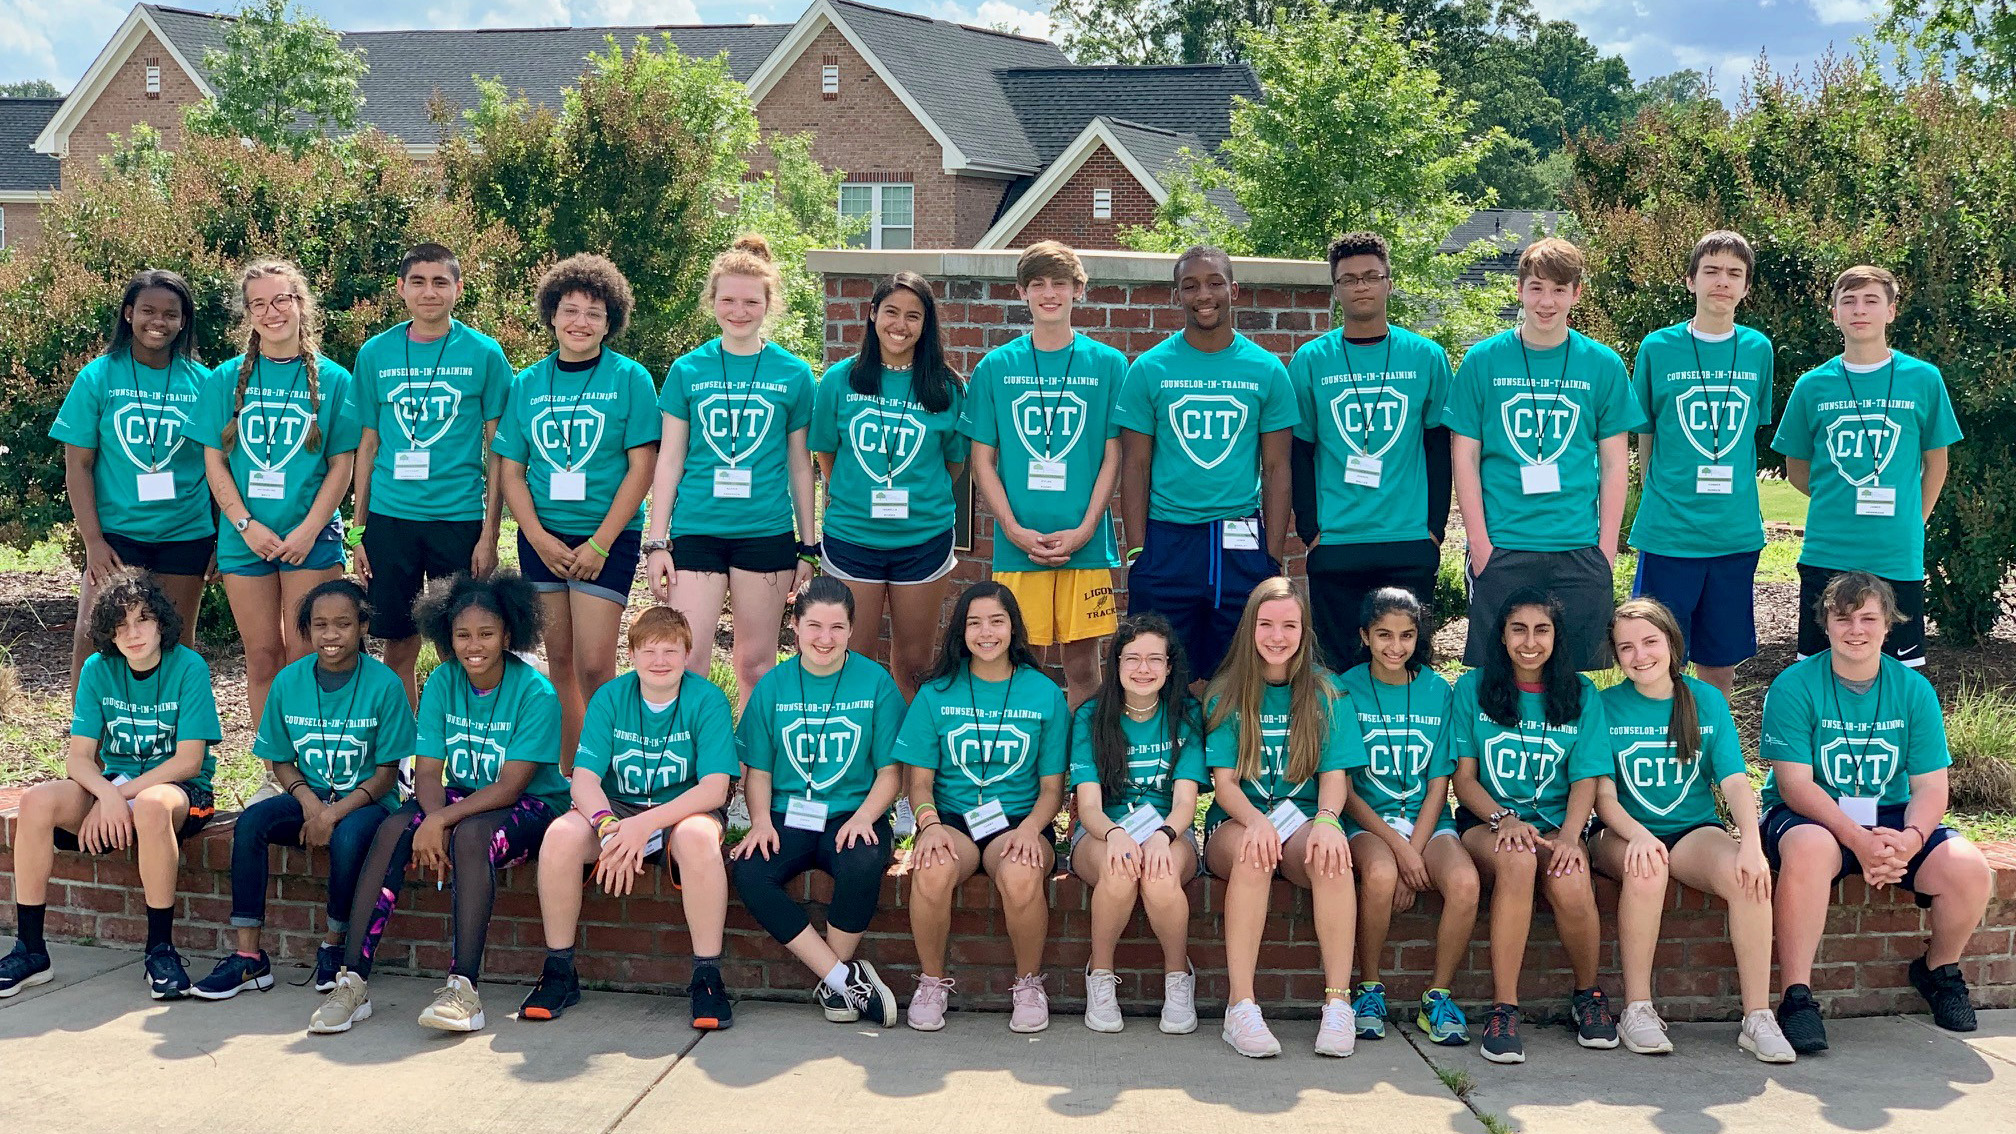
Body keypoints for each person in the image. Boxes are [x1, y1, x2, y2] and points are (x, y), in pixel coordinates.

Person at [308, 572, 568, 1035]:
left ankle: (463, 989)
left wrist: (442, 819)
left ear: (508, 634)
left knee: (470, 837)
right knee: (393, 827)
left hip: (531, 805)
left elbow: (511, 787)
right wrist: (430, 819)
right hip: (462, 798)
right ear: (446, 636)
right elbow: (428, 771)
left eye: (486, 634)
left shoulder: (536, 691)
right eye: (462, 634)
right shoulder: (444, 681)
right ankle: (351, 983)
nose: (474, 645)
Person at [1760, 572, 1992, 1052]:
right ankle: (1797, 997)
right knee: (1807, 848)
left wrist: (1909, 838)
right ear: (1825, 624)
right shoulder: (1793, 685)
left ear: (1890, 624)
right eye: (1843, 618)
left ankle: (1938, 970)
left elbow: (1930, 787)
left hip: (1893, 814)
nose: (1856, 630)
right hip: (1812, 815)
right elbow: (1795, 785)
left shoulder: (1913, 690)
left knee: (1968, 869)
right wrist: (1859, 840)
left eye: (1869, 618)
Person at [0, 571, 221, 1001]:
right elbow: (78, 759)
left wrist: (117, 796)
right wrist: (106, 793)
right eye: (120, 626)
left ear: (162, 622)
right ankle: (31, 950)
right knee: (36, 801)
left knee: (152, 806)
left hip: (178, 788)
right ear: (108, 634)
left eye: (142, 620)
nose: (133, 634)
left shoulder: (189, 666)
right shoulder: (98, 669)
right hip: (115, 783)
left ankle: (160, 951)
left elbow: (188, 760)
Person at [1593, 598, 1793, 1062]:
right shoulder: (1604, 706)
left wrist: (1751, 844)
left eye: (1649, 642)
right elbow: (1603, 798)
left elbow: (1734, 779)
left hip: (1692, 833)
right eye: (1627, 648)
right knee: (1646, 869)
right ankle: (1637, 1009)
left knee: (1749, 879)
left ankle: (1758, 1016)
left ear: (1671, 643)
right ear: (1616, 656)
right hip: (1619, 832)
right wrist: (1638, 836)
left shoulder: (1704, 700)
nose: (1640, 655)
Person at [192, 579, 412, 1001]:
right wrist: (310, 802)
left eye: (343, 624)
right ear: (307, 630)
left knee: (348, 836)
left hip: (368, 801)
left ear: (363, 626)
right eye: (320, 625)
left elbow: (386, 774)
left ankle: (334, 945)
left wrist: (331, 814)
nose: (331, 635)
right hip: (307, 797)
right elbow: (280, 758)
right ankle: (249, 957)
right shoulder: (289, 681)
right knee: (252, 821)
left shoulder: (384, 685)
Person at [522, 606, 738, 1028]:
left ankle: (707, 977)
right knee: (561, 836)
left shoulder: (707, 699)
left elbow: (714, 788)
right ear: (632, 655)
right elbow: (583, 779)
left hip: (683, 810)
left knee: (698, 839)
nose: (660, 661)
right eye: (649, 651)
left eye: (671, 651)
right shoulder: (610, 697)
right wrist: (608, 827)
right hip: (618, 811)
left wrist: (645, 825)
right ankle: (559, 971)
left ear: (688, 654)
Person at [1448, 238, 1645, 672]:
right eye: (1537, 288)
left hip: (1577, 548)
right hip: (1504, 545)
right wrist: (1480, 545)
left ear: (1577, 293)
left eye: (1559, 289)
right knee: (1497, 678)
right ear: (1520, 290)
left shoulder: (1602, 364)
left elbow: (1614, 465)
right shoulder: (1483, 361)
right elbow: (1464, 458)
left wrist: (1605, 550)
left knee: (1574, 682)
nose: (1547, 301)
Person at [495, 254, 660, 761]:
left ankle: (612, 765)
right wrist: (540, 539)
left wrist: (599, 544)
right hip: (542, 538)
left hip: (605, 539)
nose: (580, 322)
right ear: (551, 314)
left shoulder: (631, 378)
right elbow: (511, 472)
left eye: (594, 312)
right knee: (559, 663)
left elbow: (643, 468)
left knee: (594, 666)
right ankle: (571, 770)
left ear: (610, 321)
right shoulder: (526, 383)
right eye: (570, 309)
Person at [646, 235, 818, 710]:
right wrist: (657, 541)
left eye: (750, 301)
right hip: (697, 528)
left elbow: (800, 468)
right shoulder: (687, 370)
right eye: (727, 300)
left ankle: (753, 776)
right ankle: (699, 767)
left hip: (765, 533)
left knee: (756, 663)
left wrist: (809, 545)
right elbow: (670, 460)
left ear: (768, 304)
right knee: (691, 658)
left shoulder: (794, 374)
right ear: (712, 302)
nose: (738, 311)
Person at [1115, 246, 1298, 681]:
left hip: (1239, 540)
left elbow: (1276, 470)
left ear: (1233, 289)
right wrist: (1139, 551)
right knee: (1158, 673)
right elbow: (1135, 467)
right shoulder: (1149, 368)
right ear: (1176, 294)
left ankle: (1228, 752)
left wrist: (1269, 557)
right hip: (1167, 539)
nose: (1204, 294)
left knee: (1237, 677)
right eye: (1191, 285)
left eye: (1215, 283)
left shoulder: (1266, 369)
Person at [731, 577, 907, 1027]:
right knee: (751, 871)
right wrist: (759, 821)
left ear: (851, 629)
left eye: (836, 627)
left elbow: (891, 772)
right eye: (814, 626)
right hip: (787, 814)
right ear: (794, 626)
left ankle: (835, 982)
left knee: (864, 861)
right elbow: (759, 772)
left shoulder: (876, 684)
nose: (824, 639)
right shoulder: (774, 686)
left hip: (852, 812)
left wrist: (867, 816)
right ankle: (842, 980)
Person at [347, 243, 516, 706]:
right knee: (397, 643)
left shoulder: (483, 353)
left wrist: (489, 534)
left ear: (458, 289)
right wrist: (358, 530)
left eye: (440, 282)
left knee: (461, 644)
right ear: (400, 288)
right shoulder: (375, 353)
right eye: (418, 281)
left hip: (457, 518)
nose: (429, 292)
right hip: (389, 518)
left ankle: (460, 740)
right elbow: (368, 445)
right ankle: (405, 754)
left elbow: (498, 450)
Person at [1203, 577, 1366, 1059]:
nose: (1278, 636)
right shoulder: (1226, 691)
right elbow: (1225, 785)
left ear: (1304, 629)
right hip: (1236, 823)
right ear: (1250, 627)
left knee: (1333, 856)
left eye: (1289, 625)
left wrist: (1330, 820)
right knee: (1255, 854)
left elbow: (1335, 775)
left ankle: (1338, 1004)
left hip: (1299, 824)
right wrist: (1255, 821)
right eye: (1267, 624)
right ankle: (1242, 1007)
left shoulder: (1326, 691)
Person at [895, 581, 1068, 1033]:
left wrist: (1030, 830)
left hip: (1020, 820)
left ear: (1013, 628)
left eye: (997, 621)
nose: (986, 632)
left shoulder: (1044, 693)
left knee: (1021, 872)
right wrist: (928, 826)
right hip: (953, 820)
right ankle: (932, 981)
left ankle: (1028, 984)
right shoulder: (936, 694)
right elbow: (920, 783)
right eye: (974, 623)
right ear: (960, 631)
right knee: (931, 869)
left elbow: (1052, 789)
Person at [192, 259, 360, 725]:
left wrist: (309, 530)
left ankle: (317, 763)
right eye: (259, 304)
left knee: (308, 656)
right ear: (247, 314)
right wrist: (245, 525)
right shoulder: (223, 380)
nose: (272, 312)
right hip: (245, 539)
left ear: (301, 304)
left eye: (282, 299)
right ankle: (276, 770)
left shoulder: (335, 380)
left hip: (309, 539)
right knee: (264, 657)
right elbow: (214, 463)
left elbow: (340, 466)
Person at [1451, 587, 1614, 1064]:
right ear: (1500, 636)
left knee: (1571, 879)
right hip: (1490, 822)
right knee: (1518, 860)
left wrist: (1569, 838)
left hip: (1560, 824)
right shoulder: (1473, 688)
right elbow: (1464, 779)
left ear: (1556, 636)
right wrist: (1504, 819)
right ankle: (1504, 1009)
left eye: (1542, 629)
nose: (1530, 641)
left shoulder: (1581, 693)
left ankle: (1588, 995)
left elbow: (1586, 777)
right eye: (1518, 629)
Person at [961, 241, 1127, 708]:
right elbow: (981, 461)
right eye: (1037, 284)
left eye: (1060, 283)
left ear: (1079, 290)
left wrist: (1087, 528)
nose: (1049, 294)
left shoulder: (1109, 364)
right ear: (1021, 292)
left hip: (1085, 543)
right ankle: (1031, 774)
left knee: (1083, 667)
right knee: (1020, 661)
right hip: (1019, 546)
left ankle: (1081, 772)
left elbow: (1112, 456)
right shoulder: (996, 366)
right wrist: (1012, 529)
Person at [1772, 266, 1962, 669]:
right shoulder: (1812, 385)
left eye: (1871, 300)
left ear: (1891, 311)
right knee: (1819, 669)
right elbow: (1797, 470)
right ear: (1835, 314)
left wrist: (1913, 519)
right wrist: (1838, 499)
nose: (1860, 310)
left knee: (1899, 672)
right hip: (1828, 550)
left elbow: (1936, 464)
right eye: (1849, 301)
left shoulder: (1923, 379)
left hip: (1896, 555)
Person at [1291, 233, 1453, 669]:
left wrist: (1434, 529)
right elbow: (1300, 451)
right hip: (1338, 542)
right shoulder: (1311, 360)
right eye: (1348, 279)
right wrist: (1310, 530)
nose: (1360, 286)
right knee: (1338, 675)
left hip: (1408, 540)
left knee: (1409, 668)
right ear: (1335, 288)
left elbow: (1439, 449)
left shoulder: (1427, 356)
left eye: (1370, 276)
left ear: (1389, 282)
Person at [1625, 231, 1776, 700]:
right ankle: (1660, 754)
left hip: (1734, 535)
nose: (1722, 282)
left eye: (1734, 273)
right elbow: (1645, 433)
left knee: (1720, 662)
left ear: (1746, 287)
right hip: (1669, 532)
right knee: (1656, 659)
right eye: (1711, 270)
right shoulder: (1657, 347)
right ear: (1690, 280)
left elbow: (1752, 428)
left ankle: (1708, 754)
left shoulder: (1758, 350)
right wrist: (1658, 494)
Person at [51, 269, 212, 695]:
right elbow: (79, 466)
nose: (158, 321)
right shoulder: (98, 377)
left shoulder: (204, 382)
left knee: (176, 642)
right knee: (95, 638)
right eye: (147, 311)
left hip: (187, 533)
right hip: (117, 537)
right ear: (128, 314)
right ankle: (91, 745)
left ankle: (175, 747)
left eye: (171, 314)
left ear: (184, 321)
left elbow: (222, 465)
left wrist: (221, 537)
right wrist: (93, 541)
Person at [810, 272, 968, 700]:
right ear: (873, 314)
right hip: (852, 538)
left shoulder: (947, 388)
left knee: (915, 666)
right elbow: (827, 454)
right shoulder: (839, 381)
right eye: (892, 312)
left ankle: (905, 763)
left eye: (913, 316)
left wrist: (916, 497)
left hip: (923, 541)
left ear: (926, 324)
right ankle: (861, 763)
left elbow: (953, 462)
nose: (900, 324)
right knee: (852, 660)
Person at [1337, 587, 1477, 1047]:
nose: (1395, 646)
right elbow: (1346, 788)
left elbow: (1440, 784)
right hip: (1367, 821)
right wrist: (1399, 854)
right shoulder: (1345, 688)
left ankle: (1437, 996)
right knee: (1378, 873)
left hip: (1426, 821)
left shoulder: (1438, 690)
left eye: (1407, 635)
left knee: (1464, 883)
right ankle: (1370, 988)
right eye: (1383, 635)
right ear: (1364, 636)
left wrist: (1414, 853)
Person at [1066, 612, 1206, 1035]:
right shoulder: (1092, 716)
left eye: (1154, 659)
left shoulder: (1186, 714)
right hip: (1103, 831)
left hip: (1170, 831)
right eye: (1132, 659)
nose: (1143, 669)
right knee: (1119, 868)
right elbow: (1088, 805)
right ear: (1117, 664)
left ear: (1169, 666)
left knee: (1161, 876)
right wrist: (1116, 834)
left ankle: (1177, 979)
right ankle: (1102, 978)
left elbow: (1185, 801)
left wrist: (1163, 836)